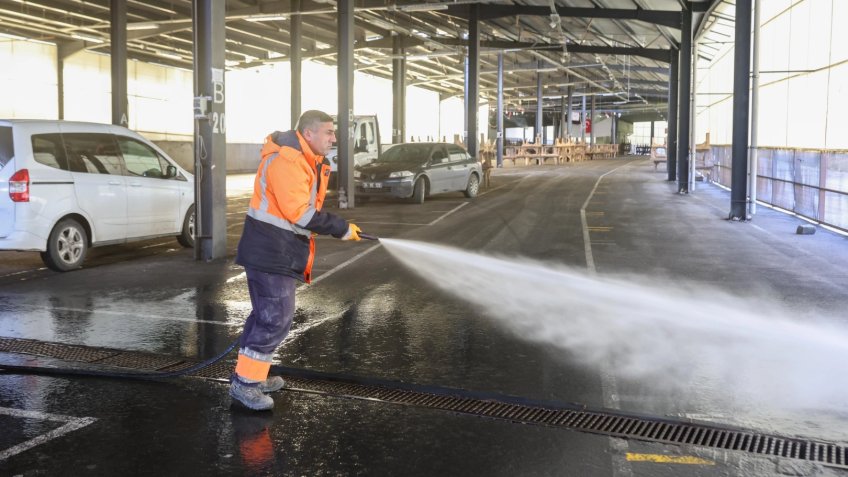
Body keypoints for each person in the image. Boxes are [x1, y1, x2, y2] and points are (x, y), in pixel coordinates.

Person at [230, 110, 361, 411]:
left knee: (266, 316)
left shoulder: (305, 159)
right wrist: (340, 228)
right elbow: (300, 214)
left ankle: (250, 376)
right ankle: (245, 387)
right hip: (270, 251)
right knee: (275, 318)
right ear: (309, 133)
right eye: (328, 132)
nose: (333, 138)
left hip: (275, 249)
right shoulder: (288, 161)